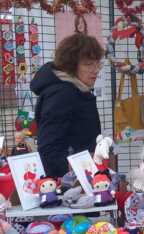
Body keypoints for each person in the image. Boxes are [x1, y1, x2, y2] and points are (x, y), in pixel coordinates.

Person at [30, 34, 103, 178]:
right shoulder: (61, 95)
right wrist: (82, 176)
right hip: (71, 185)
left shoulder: (76, 89)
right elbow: (49, 149)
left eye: (97, 63)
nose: (96, 70)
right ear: (70, 64)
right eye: (89, 64)